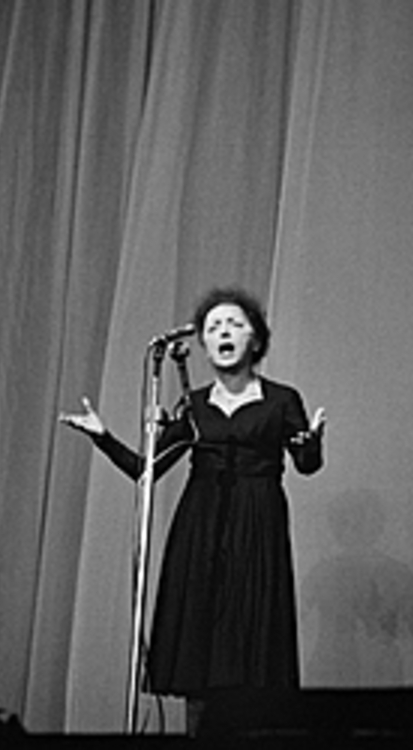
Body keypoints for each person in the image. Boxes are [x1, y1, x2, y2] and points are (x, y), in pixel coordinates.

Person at [59, 287, 325, 734]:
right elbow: (145, 471)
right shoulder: (194, 405)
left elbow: (307, 465)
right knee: (199, 641)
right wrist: (102, 436)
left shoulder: (282, 399)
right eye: (214, 327)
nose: (224, 332)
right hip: (200, 527)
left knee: (251, 640)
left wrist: (312, 444)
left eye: (235, 324)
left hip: (257, 524)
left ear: (255, 340)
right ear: (202, 343)